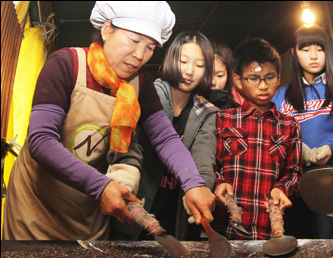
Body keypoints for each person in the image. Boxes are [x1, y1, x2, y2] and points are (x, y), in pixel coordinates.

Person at [2, 1, 215, 240]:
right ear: (106, 29)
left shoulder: (140, 84)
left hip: (88, 210)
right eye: (134, 41)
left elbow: (165, 138)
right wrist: (101, 186)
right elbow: (41, 140)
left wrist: (194, 182)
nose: (140, 55)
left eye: (150, 47)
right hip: (37, 205)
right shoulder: (65, 65)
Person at [111, 31, 219, 241]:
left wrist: (203, 190)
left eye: (199, 65)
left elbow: (204, 159)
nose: (189, 71)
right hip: (137, 204)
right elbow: (128, 144)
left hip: (176, 209)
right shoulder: (148, 93)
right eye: (183, 61)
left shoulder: (207, 112)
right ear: (171, 59)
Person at [272, 24, 333, 239]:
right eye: (305, 49)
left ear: (328, 52)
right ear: (294, 53)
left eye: (319, 49)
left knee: (327, 254)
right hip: (291, 190)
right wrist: (295, 150)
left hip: (332, 190)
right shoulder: (281, 96)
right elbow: (272, 140)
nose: (313, 56)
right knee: (295, 254)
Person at [213, 38, 302, 240]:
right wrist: (219, 183)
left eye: (269, 77)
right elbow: (210, 165)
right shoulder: (223, 119)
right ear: (238, 81)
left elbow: (294, 171)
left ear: (279, 79)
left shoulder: (290, 126)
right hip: (225, 229)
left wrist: (282, 188)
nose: (263, 85)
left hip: (268, 232)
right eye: (253, 78)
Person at [208, 41, 240, 110]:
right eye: (208, 74)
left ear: (228, 77)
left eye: (219, 75)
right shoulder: (188, 105)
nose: (213, 82)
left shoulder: (237, 112)